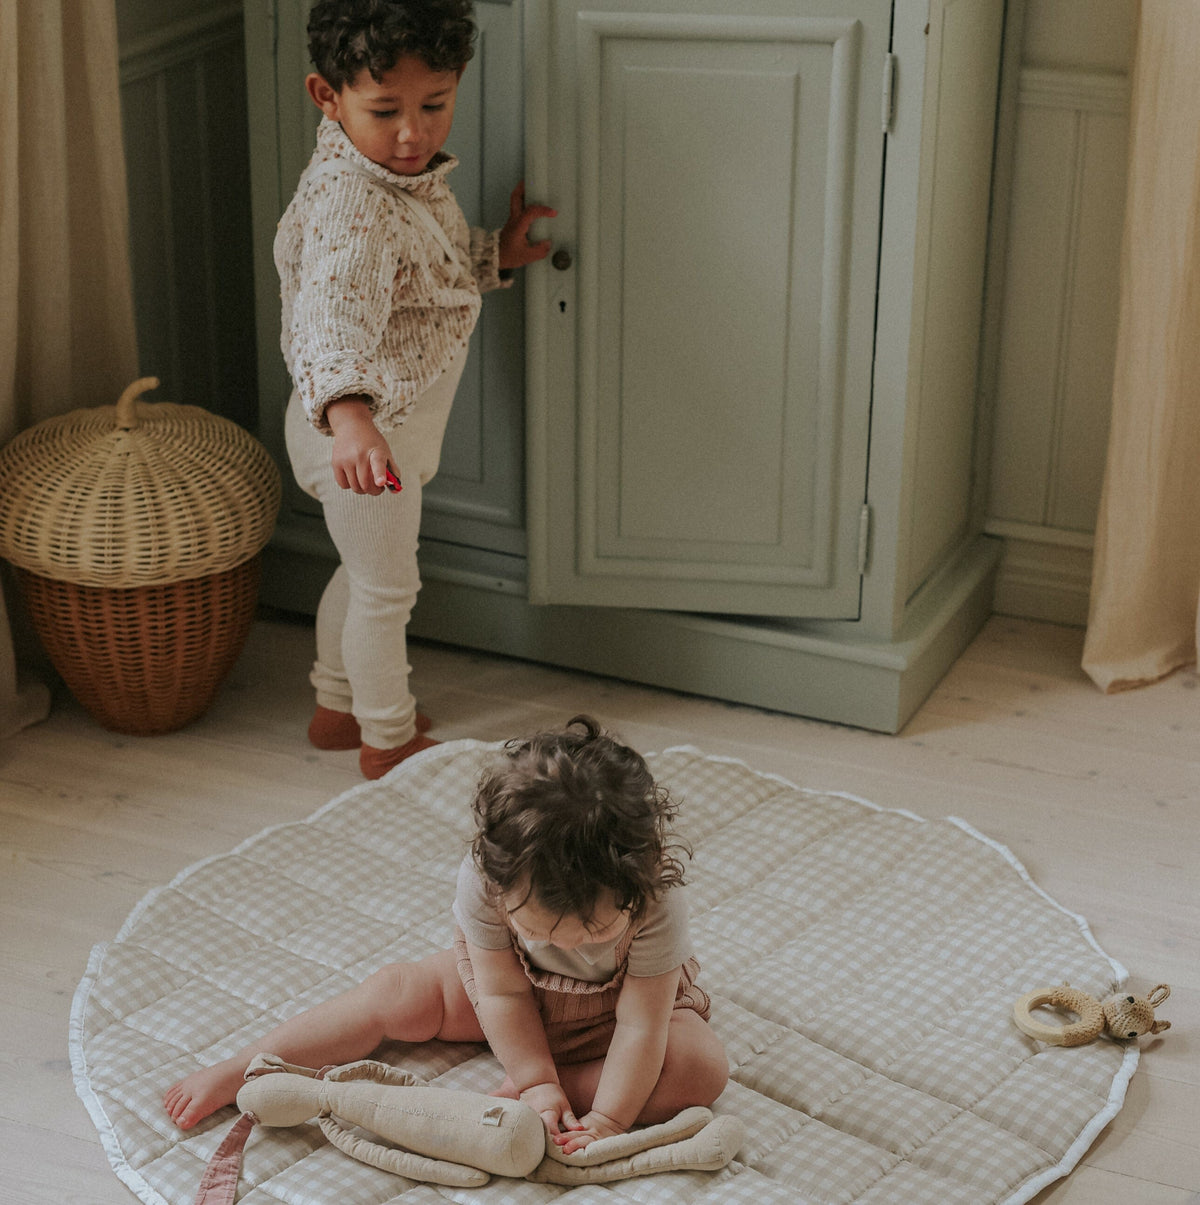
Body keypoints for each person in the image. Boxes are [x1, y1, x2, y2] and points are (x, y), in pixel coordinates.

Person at [164, 716, 729, 1153]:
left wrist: (606, 1120)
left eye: (596, 931)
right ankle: (248, 1066)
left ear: (640, 876)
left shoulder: (655, 900)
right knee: (395, 992)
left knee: (701, 1067)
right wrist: (533, 1080)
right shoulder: (487, 879)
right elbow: (502, 992)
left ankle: (570, 1085)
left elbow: (640, 1026)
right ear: (499, 882)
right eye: (540, 931)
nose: (568, 947)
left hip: (617, 1017)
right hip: (510, 996)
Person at [281, 0, 555, 779]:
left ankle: (336, 706)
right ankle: (388, 739)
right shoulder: (353, 204)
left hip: (374, 433)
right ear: (327, 97)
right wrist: (350, 416)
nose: (413, 133)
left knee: (361, 574)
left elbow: (423, 276)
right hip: (362, 440)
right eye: (386, 111)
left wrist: (494, 253)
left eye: (434, 105)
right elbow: (329, 316)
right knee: (387, 590)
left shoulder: (393, 178)